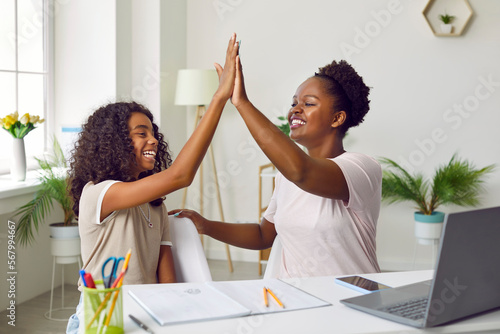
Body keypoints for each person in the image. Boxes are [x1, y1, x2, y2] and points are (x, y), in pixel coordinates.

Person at [65, 33, 240, 334]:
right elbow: (180, 176)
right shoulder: (99, 194)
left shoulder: (155, 205)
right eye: (141, 133)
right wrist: (219, 98)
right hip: (102, 320)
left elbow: (165, 277)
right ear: (115, 141)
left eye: (153, 132)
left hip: (143, 317)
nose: (153, 140)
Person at [171, 47, 382, 279]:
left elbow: (302, 172)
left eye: (309, 104)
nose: (295, 110)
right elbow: (263, 235)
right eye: (294, 103)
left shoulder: (362, 168)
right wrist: (205, 225)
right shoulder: (285, 175)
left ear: (337, 118)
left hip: (352, 302)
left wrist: (241, 102)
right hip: (299, 302)